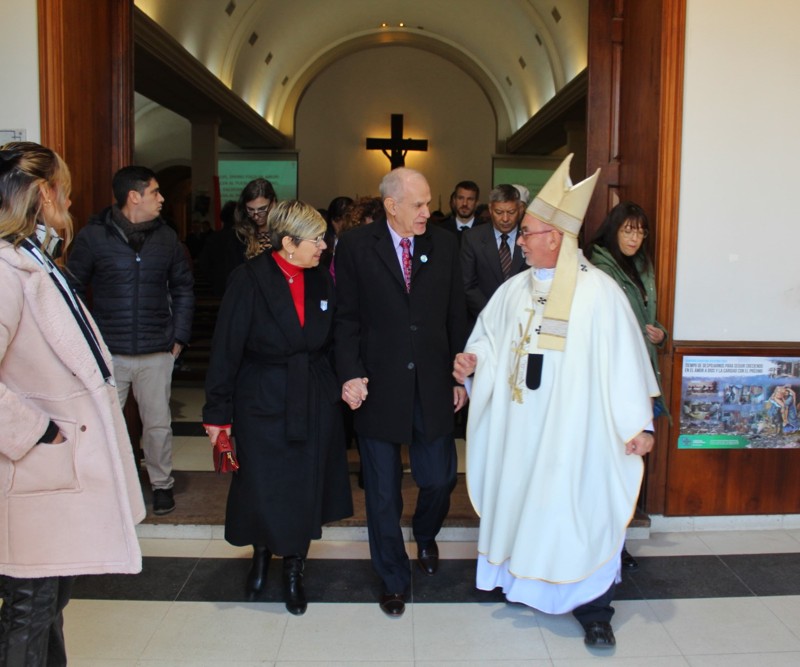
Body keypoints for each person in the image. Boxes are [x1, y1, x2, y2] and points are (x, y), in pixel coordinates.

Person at [454, 154, 659, 649]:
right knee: (526, 503)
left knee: (580, 511)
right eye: (521, 233)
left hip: (577, 434)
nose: (519, 241)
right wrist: (472, 361)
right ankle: (524, 581)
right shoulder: (512, 290)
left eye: (527, 233)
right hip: (522, 430)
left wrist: (637, 424)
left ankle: (594, 608)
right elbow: (488, 336)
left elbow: (625, 363)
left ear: (556, 238)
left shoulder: (600, 294)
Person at [0, 142, 145, 665]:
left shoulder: (36, 257)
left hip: (54, 468)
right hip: (34, 467)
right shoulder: (4, 269)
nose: (71, 196)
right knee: (28, 608)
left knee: (48, 602)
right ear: (42, 193)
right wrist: (36, 431)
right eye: (63, 185)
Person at [203, 200, 353, 616]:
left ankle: (293, 568)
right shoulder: (249, 280)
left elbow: (337, 337)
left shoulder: (322, 279)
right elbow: (226, 350)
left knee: (304, 488)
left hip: (313, 400)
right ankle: (260, 553)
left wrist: (349, 380)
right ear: (288, 243)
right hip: (262, 400)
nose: (324, 245)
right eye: (317, 239)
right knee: (264, 486)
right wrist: (218, 414)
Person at [334, 167, 468, 617]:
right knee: (383, 493)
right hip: (378, 387)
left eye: (429, 202)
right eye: (419, 204)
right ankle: (392, 576)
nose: (428, 212)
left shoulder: (445, 244)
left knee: (439, 478)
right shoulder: (355, 246)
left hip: (432, 385)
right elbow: (346, 318)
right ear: (391, 206)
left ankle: (426, 534)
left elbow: (456, 316)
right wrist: (349, 373)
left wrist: (457, 376)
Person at [67, 165, 194, 516]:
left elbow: (184, 288)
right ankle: (110, 486)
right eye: (155, 192)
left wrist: (179, 337)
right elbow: (72, 290)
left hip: (157, 349)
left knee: (158, 425)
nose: (162, 198)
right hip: (110, 352)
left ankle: (162, 486)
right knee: (105, 424)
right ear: (133, 196)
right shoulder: (94, 237)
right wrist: (86, 341)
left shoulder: (166, 237)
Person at [585, 201, 670, 571]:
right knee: (608, 464)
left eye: (640, 231)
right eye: (628, 230)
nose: (635, 237)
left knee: (631, 461)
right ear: (613, 230)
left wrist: (660, 334)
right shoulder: (596, 267)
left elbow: (650, 316)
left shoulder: (643, 267)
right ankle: (603, 542)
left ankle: (617, 541)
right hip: (611, 379)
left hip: (641, 373)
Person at [461, 184, 528, 327]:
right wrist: (492, 313)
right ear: (490, 209)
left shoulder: (529, 237)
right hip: (483, 320)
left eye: (511, 212)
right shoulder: (473, 238)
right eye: (499, 212)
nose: (505, 218)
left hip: (522, 320)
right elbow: (468, 285)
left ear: (520, 210)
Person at [233, 177, 278, 259]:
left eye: (262, 209)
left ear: (273, 203)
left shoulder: (285, 231)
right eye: (250, 209)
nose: (256, 216)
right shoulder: (240, 235)